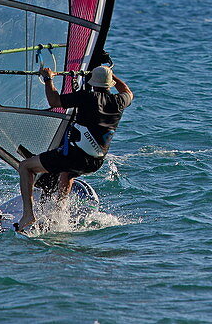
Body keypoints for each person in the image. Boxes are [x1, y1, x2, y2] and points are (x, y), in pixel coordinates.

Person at [15, 65, 133, 231]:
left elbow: (54, 101)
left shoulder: (87, 97)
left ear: (92, 83)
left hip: (74, 156)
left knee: (25, 166)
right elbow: (128, 91)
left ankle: (28, 214)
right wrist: (112, 76)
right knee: (67, 173)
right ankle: (58, 214)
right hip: (95, 161)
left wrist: (48, 79)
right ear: (110, 84)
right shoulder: (119, 101)